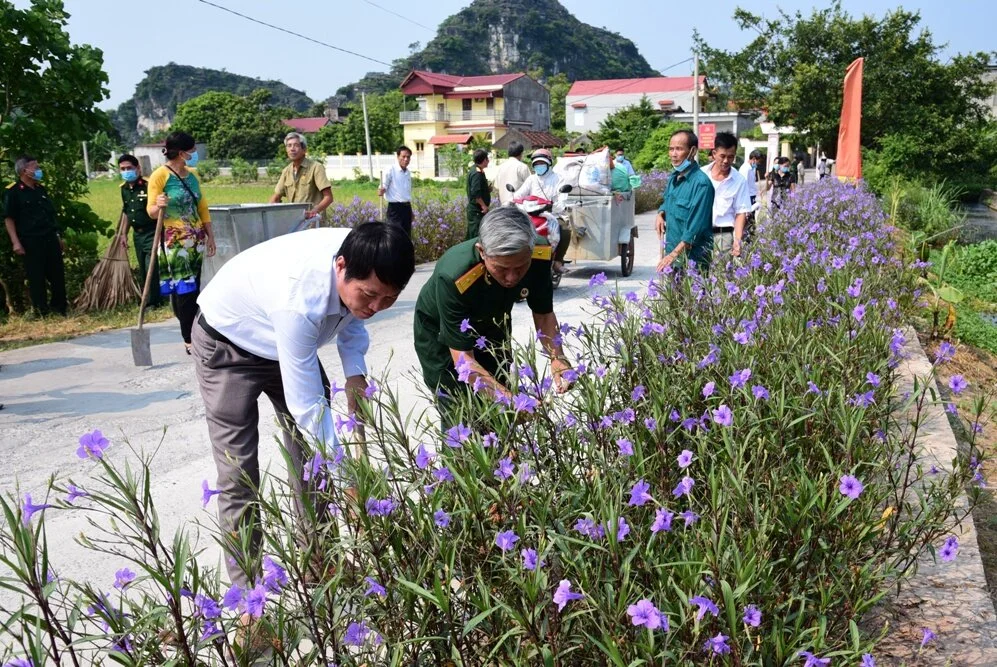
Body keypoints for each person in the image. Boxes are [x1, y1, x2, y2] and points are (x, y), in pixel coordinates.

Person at [193, 222, 415, 590]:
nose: (376, 307)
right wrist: (350, 484)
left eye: (388, 300)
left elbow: (354, 315)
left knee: (312, 463)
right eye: (369, 295)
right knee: (238, 472)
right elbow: (308, 408)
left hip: (287, 340)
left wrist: (355, 372)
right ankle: (249, 596)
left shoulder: (368, 254)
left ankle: (318, 560)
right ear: (340, 266)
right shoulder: (299, 298)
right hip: (229, 342)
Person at [414, 206, 572, 414]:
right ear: (482, 251)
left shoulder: (539, 254)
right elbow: (464, 361)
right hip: (444, 337)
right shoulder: (455, 276)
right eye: (502, 268)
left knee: (501, 392)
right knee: (463, 410)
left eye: (520, 267)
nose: (512, 278)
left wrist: (557, 357)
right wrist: (512, 402)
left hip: (493, 324)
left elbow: (543, 314)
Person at [146, 131, 216, 355]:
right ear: (182, 152)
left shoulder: (192, 176)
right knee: (185, 291)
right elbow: (151, 212)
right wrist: (159, 204)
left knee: (195, 290)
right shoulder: (159, 176)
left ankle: (194, 332)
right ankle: (189, 338)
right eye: (192, 150)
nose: (194, 154)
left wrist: (210, 234)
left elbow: (202, 207)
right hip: (175, 242)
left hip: (196, 241)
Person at [3, 155, 67, 316]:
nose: (39, 170)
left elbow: (51, 215)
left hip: (49, 237)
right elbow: (9, 219)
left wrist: (58, 236)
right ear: (25, 170)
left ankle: (59, 309)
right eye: (35, 167)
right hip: (31, 240)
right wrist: (15, 242)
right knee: (36, 277)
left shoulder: (40, 189)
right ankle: (41, 311)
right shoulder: (14, 192)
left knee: (57, 275)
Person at [654, 130, 715, 274]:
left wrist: (672, 256)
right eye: (671, 149)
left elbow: (694, 230)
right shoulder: (674, 178)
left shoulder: (701, 184)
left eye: (679, 149)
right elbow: (667, 201)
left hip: (693, 262)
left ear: (692, 151)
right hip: (673, 258)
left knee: (692, 297)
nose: (674, 154)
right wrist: (660, 213)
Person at [513, 148, 569, 274]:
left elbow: (562, 199)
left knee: (565, 230)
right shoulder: (531, 179)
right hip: (532, 214)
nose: (539, 167)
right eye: (536, 164)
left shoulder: (559, 179)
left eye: (542, 164)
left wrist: (556, 206)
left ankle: (558, 261)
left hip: (552, 214)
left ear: (549, 163)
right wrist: (513, 200)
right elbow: (518, 195)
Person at [118, 155, 162, 307]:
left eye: (129, 168)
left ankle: (152, 302)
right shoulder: (124, 189)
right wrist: (123, 233)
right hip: (138, 234)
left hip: (152, 231)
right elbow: (127, 212)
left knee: (152, 266)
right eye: (123, 169)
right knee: (143, 267)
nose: (126, 171)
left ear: (138, 168)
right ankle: (150, 297)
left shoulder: (148, 186)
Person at [704, 132, 752, 261]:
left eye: (730, 157)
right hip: (700, 234)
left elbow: (740, 212)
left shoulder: (739, 181)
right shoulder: (701, 175)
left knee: (721, 276)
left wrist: (737, 240)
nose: (726, 161)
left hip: (724, 236)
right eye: (722, 156)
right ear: (714, 154)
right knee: (698, 276)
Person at [269, 132, 333, 222]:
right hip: (295, 223)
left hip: (313, 223)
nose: (292, 149)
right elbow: (276, 197)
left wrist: (314, 211)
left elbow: (328, 197)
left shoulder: (316, 167)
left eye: (296, 145)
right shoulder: (286, 171)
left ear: (304, 150)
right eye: (289, 146)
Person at [377, 145, 414, 235]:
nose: (406, 159)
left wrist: (410, 211)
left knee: (406, 236)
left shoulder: (408, 173)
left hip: (407, 208)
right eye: (403, 157)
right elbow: (384, 185)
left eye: (408, 157)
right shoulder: (391, 170)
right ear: (398, 157)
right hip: (395, 209)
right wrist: (381, 190)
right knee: (395, 235)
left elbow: (406, 194)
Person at [494, 141, 530, 206]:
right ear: (521, 153)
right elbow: (530, 186)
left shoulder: (501, 167)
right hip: (519, 206)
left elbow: (497, 187)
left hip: (504, 205)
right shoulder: (522, 167)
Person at [465, 149, 491, 240]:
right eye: (487, 159)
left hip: (476, 210)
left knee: (473, 234)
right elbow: (476, 193)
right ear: (484, 160)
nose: (488, 161)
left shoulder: (476, 170)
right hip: (476, 210)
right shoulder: (477, 173)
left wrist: (487, 190)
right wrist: (484, 206)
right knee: (475, 236)